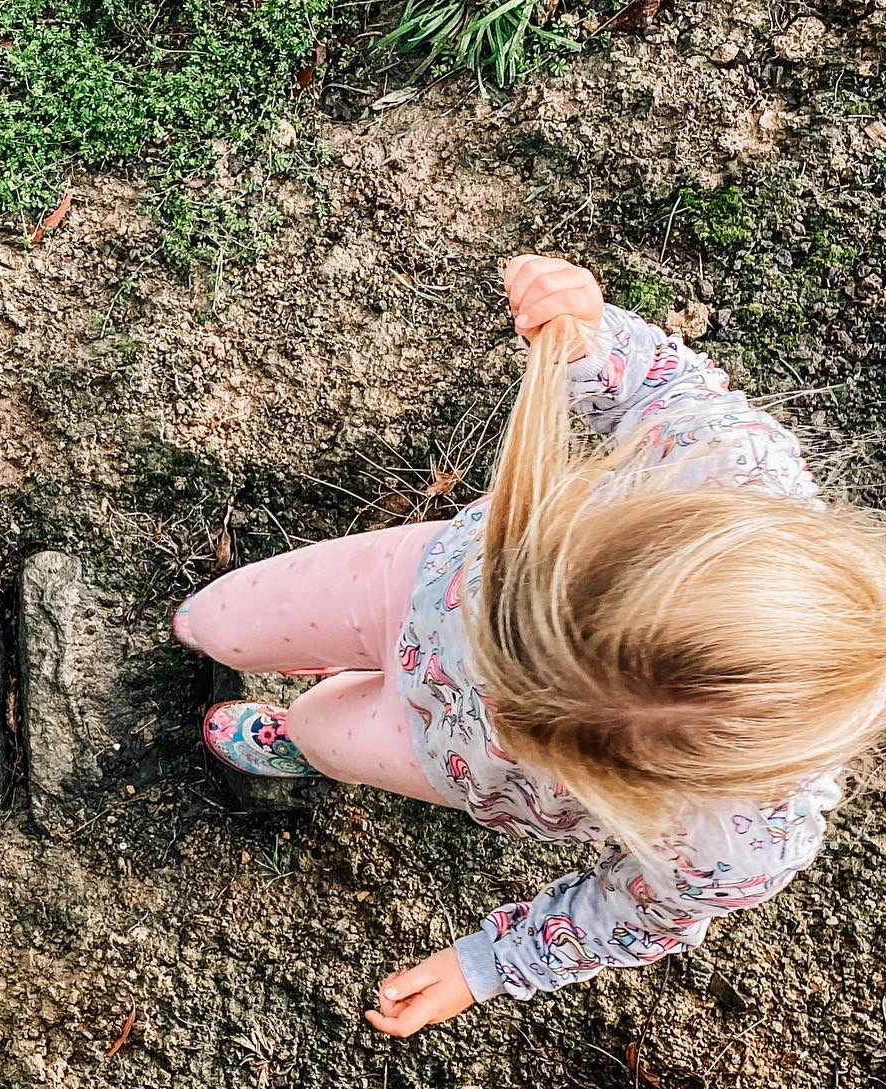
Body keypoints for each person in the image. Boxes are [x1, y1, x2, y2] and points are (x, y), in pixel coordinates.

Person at [172, 255, 886, 1038]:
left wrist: (486, 965)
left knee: (316, 725)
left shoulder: (738, 841)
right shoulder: (733, 478)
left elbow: (628, 915)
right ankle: (318, 666)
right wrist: (587, 333)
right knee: (210, 623)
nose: (502, 702)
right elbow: (665, 390)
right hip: (430, 581)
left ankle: (303, 738)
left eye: (534, 729)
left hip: (442, 748)